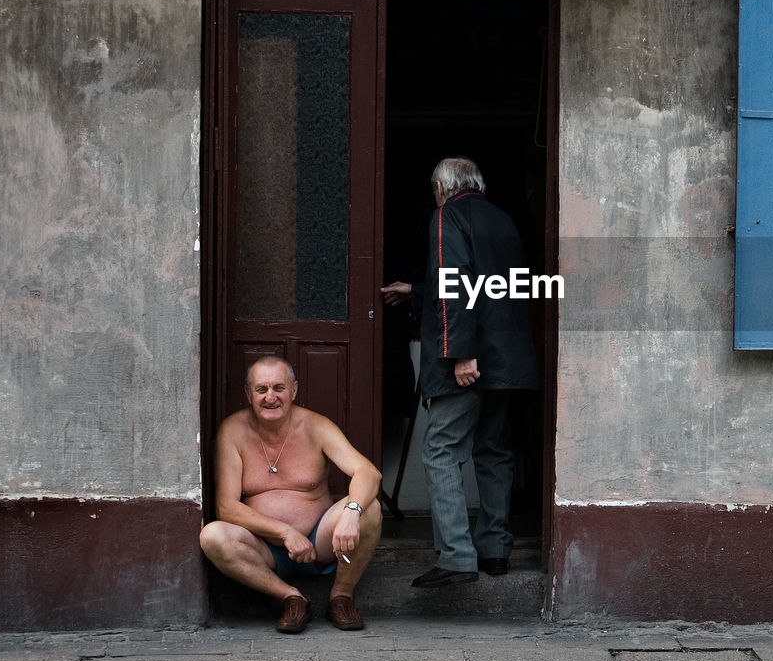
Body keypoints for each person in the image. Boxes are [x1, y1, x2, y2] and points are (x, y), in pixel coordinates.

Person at [382, 157, 538, 588]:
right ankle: (494, 550)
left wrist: (460, 354)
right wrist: (415, 290)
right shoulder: (503, 220)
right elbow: (490, 284)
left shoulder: (445, 215)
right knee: (494, 451)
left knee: (441, 451)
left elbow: (454, 281)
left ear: (440, 187)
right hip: (506, 360)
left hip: (468, 361)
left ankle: (455, 557)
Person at [199, 356, 383, 633]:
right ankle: (291, 597)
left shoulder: (315, 426)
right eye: (261, 389)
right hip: (265, 549)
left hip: (321, 542)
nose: (270, 397)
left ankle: (341, 597)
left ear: (293, 391)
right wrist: (285, 532)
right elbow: (226, 507)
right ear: (249, 394)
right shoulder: (233, 431)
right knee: (212, 536)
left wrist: (351, 513)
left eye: (278, 388)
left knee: (370, 508)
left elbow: (368, 472)